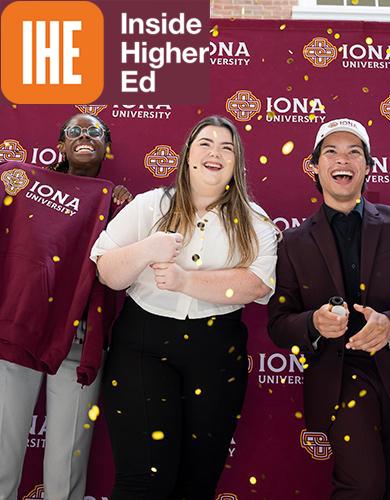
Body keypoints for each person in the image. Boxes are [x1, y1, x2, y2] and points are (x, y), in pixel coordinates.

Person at [90, 115, 278, 500]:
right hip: (143, 346)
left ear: (236, 163)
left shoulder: (254, 220)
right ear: (188, 154)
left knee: (197, 480)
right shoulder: (149, 205)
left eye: (227, 147)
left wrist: (185, 281)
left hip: (216, 352)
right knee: (144, 480)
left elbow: (257, 284)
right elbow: (108, 271)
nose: (215, 153)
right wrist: (146, 249)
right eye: (206, 144)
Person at [268, 118, 390, 499]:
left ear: (367, 166)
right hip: (339, 380)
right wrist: (313, 324)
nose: (342, 160)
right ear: (314, 167)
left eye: (354, 152)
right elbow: (279, 324)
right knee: (362, 488)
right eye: (330, 151)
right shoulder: (293, 243)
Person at [0, 113, 132, 500]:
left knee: (67, 456)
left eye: (95, 132)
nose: (85, 137)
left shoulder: (116, 201)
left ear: (106, 146)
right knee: (3, 445)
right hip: (19, 330)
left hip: (77, 339)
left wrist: (117, 206)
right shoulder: (23, 181)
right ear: (60, 145)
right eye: (75, 131)